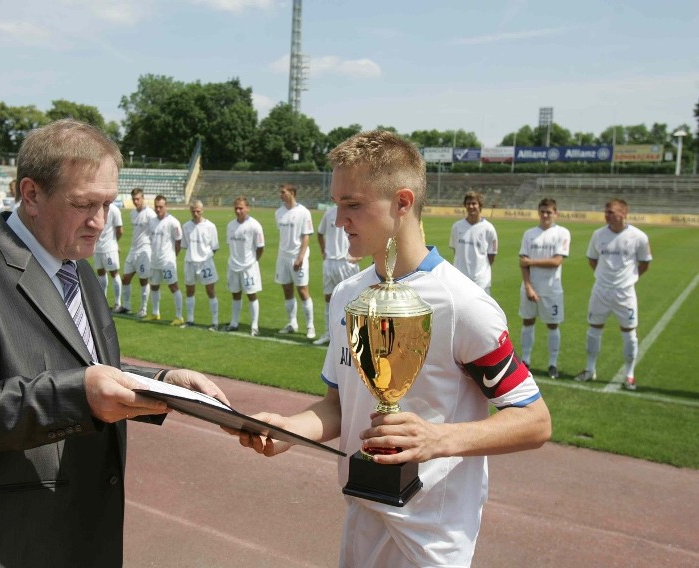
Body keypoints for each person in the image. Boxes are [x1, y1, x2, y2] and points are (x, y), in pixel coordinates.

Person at [0, 119, 228, 567]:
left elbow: (81, 364)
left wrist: (161, 382)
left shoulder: (76, 265)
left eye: (109, 204)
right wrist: (79, 396)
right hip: (8, 543)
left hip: (83, 533)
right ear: (31, 194)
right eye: (83, 204)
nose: (100, 222)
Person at [232, 130, 551, 567]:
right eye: (337, 203)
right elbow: (340, 407)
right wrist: (287, 430)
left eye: (353, 204)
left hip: (431, 542)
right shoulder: (348, 296)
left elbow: (535, 421)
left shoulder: (462, 305)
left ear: (402, 203)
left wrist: (437, 438)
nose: (339, 220)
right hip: (361, 516)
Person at [575, 199, 652, 390]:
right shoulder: (598, 234)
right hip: (600, 291)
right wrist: (604, 278)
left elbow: (644, 263)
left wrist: (628, 279)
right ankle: (590, 369)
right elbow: (592, 259)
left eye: (611, 212)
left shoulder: (639, 237)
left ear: (624, 212)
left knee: (629, 333)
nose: (607, 215)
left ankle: (629, 374)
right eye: (606, 212)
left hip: (625, 293)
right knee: (594, 329)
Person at [518, 198, 571, 379]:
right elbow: (522, 263)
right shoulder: (529, 234)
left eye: (549, 212)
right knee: (527, 322)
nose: (545, 215)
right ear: (538, 212)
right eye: (542, 211)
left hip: (551, 289)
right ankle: (525, 361)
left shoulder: (562, 233)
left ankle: (552, 364)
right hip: (530, 288)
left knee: (552, 325)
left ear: (555, 214)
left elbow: (557, 261)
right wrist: (528, 286)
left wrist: (531, 261)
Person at [313, 204, 360, 345]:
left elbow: (365, 234)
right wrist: (323, 252)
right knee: (329, 297)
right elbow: (320, 233)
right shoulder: (329, 213)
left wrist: (358, 256)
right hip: (330, 262)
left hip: (346, 262)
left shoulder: (355, 212)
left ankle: (354, 336)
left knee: (352, 300)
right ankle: (329, 334)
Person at [275, 183, 316, 339]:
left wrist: (300, 257)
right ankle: (292, 323)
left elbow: (306, 236)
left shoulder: (303, 212)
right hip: (283, 257)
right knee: (287, 290)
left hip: (298, 257)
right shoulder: (279, 212)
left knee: (302, 290)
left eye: (283, 192)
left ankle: (310, 326)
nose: (280, 195)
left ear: (292, 193)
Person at [224, 196, 265, 336]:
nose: (238, 210)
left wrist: (253, 261)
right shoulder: (230, 225)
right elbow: (230, 245)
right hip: (233, 265)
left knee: (251, 294)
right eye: (236, 208)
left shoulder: (255, 226)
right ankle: (234, 323)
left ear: (247, 208)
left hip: (249, 267)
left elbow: (260, 248)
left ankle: (254, 326)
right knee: (235, 294)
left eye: (241, 208)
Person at [144, 195, 184, 325]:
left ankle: (179, 316)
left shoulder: (173, 222)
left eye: (160, 206)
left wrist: (173, 256)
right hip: (154, 261)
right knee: (154, 286)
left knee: (173, 286)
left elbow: (178, 242)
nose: (158, 209)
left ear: (166, 206)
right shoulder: (152, 221)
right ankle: (155, 313)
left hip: (167, 261)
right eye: (156, 206)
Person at [181, 199, 220, 330]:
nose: (196, 213)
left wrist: (205, 257)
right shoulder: (186, 226)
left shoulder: (210, 226)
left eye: (198, 211)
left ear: (202, 210)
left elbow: (214, 247)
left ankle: (215, 322)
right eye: (193, 211)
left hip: (205, 263)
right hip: (190, 262)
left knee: (210, 290)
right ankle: (190, 320)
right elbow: (185, 245)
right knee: (190, 291)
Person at [449, 190, 498, 294]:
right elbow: (456, 251)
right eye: (468, 204)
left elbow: (491, 257)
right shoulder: (457, 227)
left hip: (481, 282)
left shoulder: (489, 228)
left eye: (474, 203)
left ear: (480, 205)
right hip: (460, 280)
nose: (471, 206)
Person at [117, 187, 156, 317]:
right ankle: (126, 306)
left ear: (143, 198)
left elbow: (154, 232)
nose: (135, 201)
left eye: (138, 199)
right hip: (133, 250)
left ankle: (143, 309)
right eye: (134, 199)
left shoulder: (150, 214)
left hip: (145, 250)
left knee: (143, 279)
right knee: (125, 278)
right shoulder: (133, 213)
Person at [94, 201, 124, 310]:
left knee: (114, 273)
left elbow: (120, 230)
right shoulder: (96, 207)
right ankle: (103, 301)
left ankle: (117, 303)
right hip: (97, 248)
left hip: (109, 249)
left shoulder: (114, 209)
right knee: (101, 273)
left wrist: (114, 243)